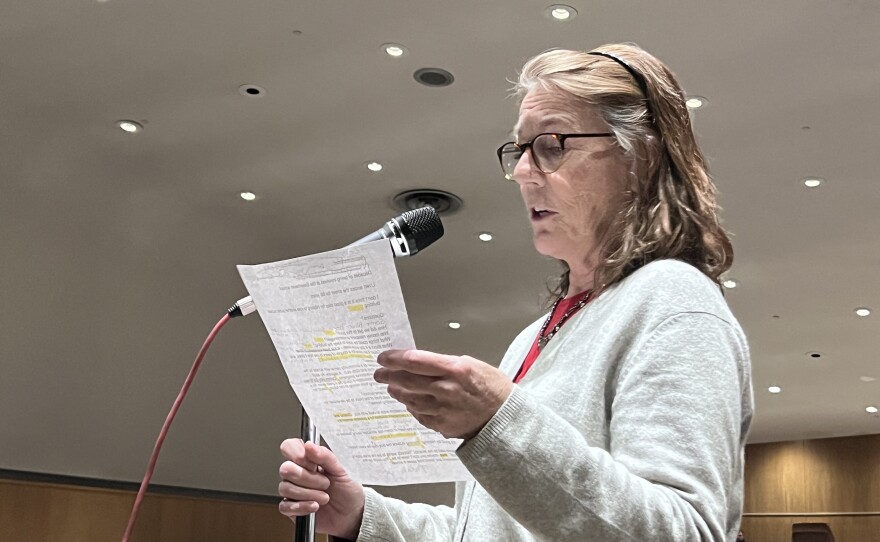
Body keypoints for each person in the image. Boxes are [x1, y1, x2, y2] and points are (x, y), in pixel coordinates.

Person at [277, 42, 753, 541]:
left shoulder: (673, 301)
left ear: (641, 154)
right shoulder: (534, 336)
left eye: (552, 145)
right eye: (520, 151)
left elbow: (686, 532)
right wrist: (363, 517)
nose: (524, 172)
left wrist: (498, 421)